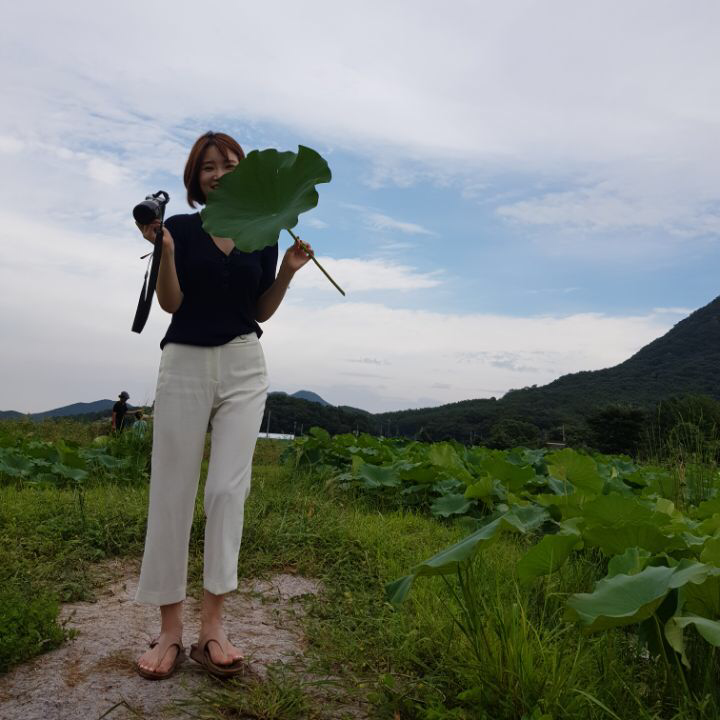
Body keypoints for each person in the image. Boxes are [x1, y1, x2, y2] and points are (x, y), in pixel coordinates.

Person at [133, 131, 313, 680]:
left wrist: (286, 271)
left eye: (230, 165)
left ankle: (214, 628)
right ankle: (170, 632)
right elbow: (171, 303)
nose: (220, 173)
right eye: (209, 166)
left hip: (243, 361)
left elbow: (260, 308)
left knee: (227, 491)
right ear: (195, 177)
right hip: (185, 359)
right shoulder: (182, 230)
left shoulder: (263, 235)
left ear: (246, 173)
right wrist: (163, 252)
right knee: (173, 487)